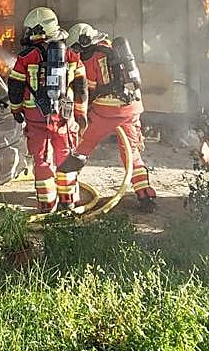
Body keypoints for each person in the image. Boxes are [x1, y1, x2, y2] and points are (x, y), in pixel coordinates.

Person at [64, 22, 157, 212]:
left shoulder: (89, 58)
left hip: (105, 112)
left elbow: (87, 91)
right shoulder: (113, 50)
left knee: (82, 147)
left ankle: (66, 194)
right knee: (132, 154)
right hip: (131, 108)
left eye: (75, 47)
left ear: (83, 42)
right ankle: (145, 196)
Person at [6, 7, 88, 212]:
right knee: (65, 155)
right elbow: (81, 88)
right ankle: (67, 201)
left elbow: (15, 87)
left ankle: (46, 203)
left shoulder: (27, 56)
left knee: (41, 159)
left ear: (38, 30)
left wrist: (16, 110)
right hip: (63, 116)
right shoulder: (71, 54)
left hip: (35, 116)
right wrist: (80, 114)